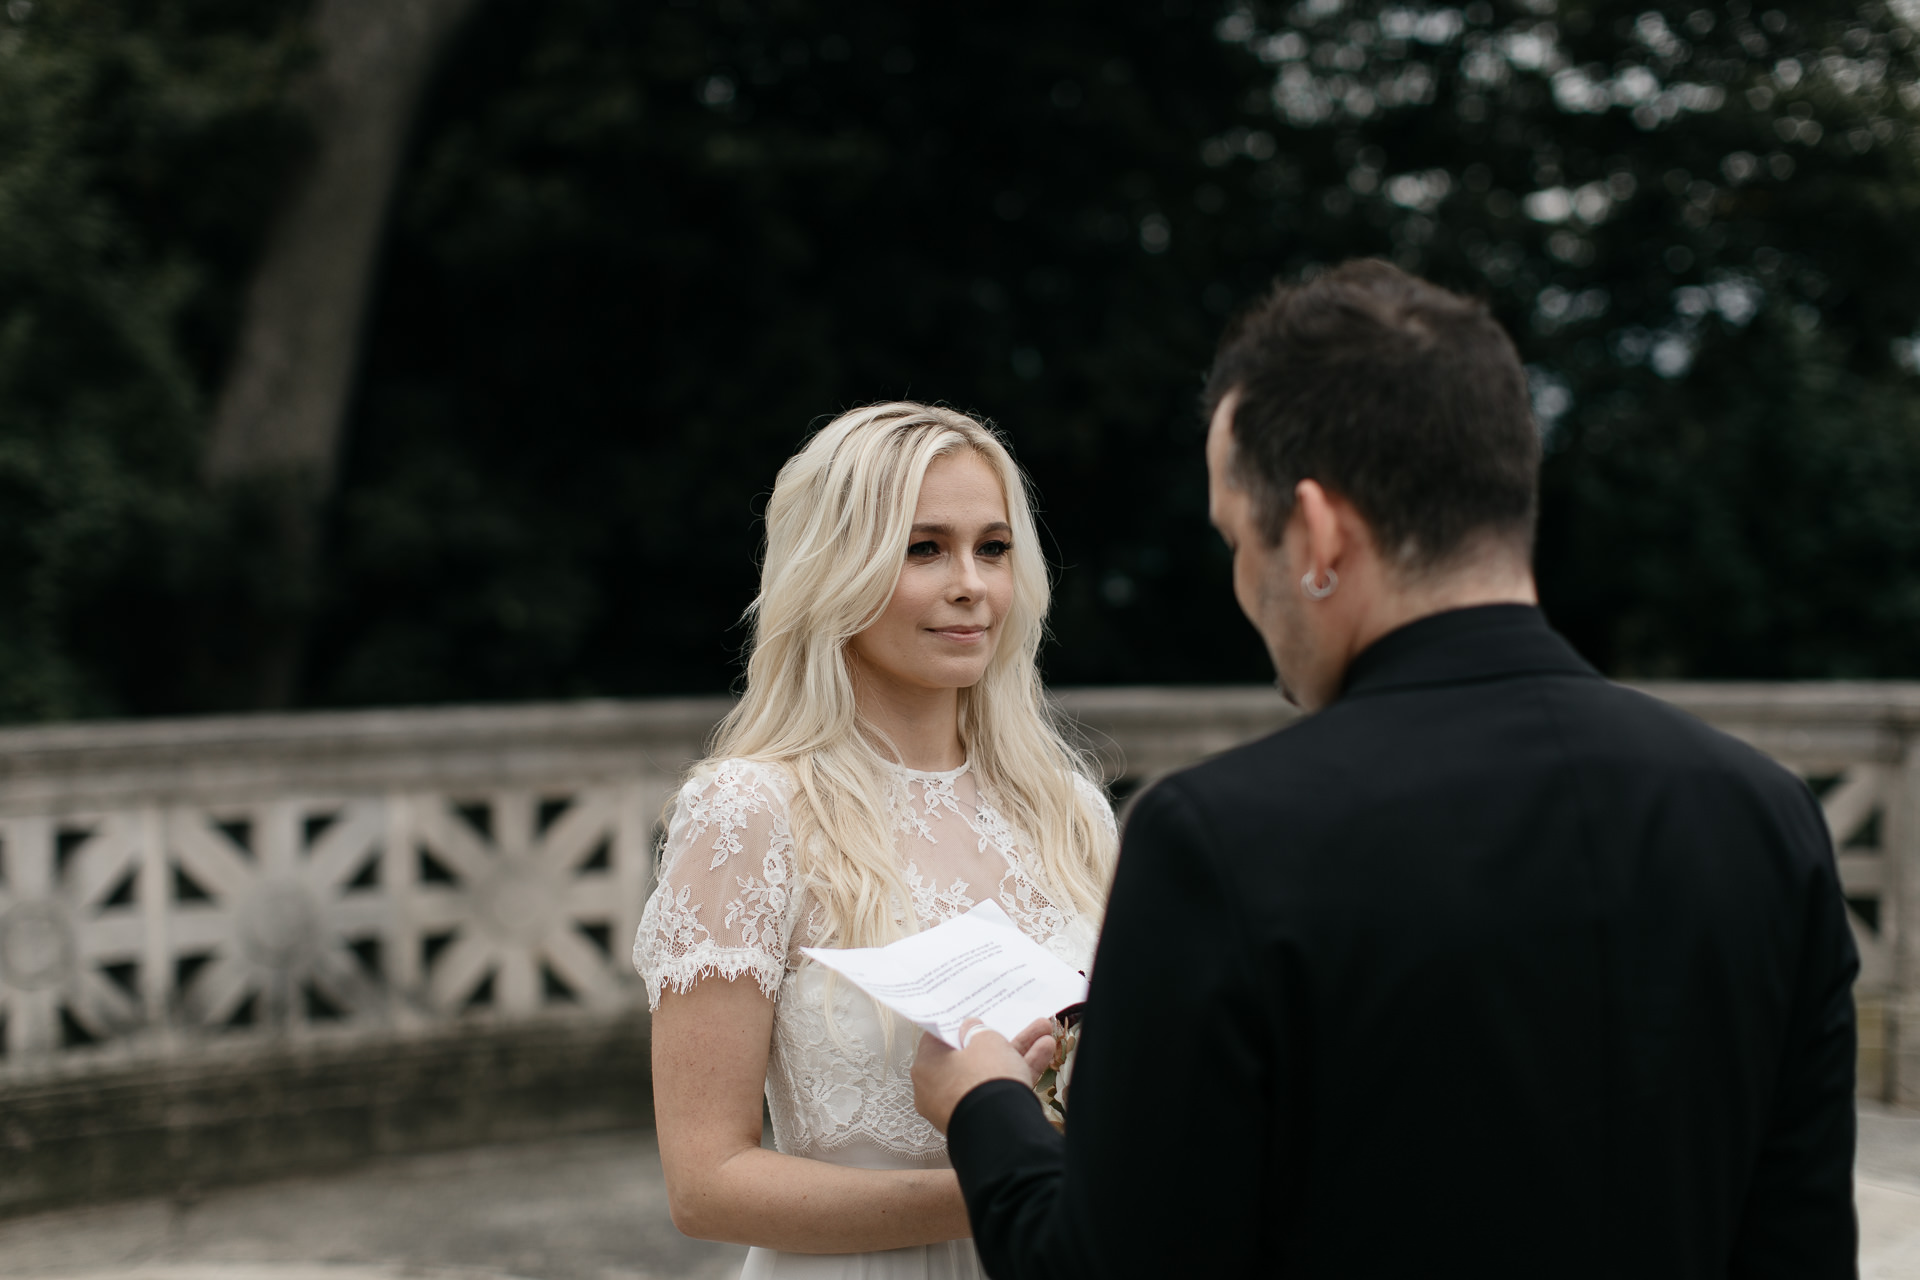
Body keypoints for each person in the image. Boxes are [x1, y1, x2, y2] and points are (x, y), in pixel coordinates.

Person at [911, 260, 1859, 1278]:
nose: (1242, 583)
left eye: (1237, 539)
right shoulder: (1766, 813)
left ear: (1317, 533)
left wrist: (986, 1105)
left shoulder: (1223, 837)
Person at [633, 401, 1118, 1280]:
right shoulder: (749, 812)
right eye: (923, 548)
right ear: (835, 568)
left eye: (993, 548)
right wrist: (1009, 1182)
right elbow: (703, 1183)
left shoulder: (1072, 813)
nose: (970, 582)